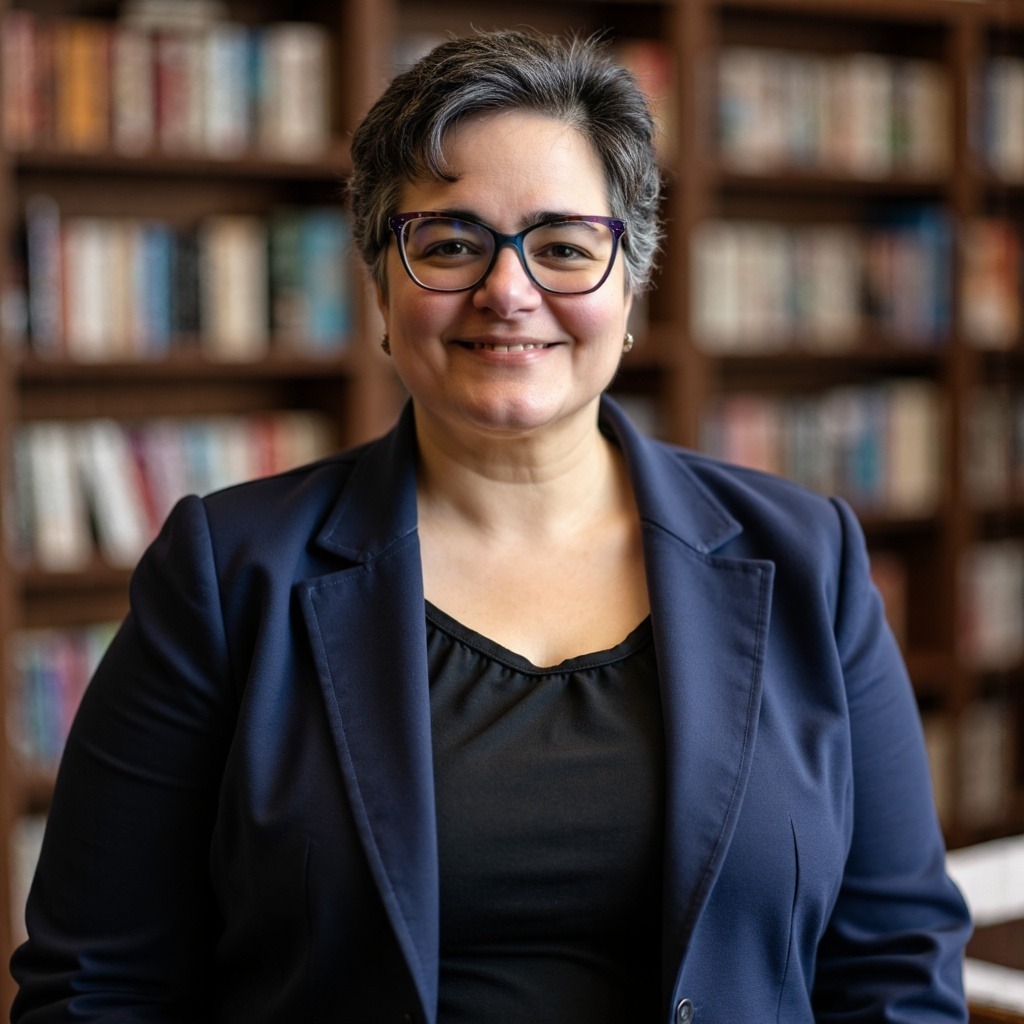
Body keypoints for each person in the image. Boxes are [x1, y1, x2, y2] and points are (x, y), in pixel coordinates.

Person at [11, 28, 971, 1024]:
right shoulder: (225, 573)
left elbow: (896, 970)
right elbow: (95, 988)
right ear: (381, 289)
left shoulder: (808, 558)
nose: (508, 292)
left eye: (563, 248)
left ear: (630, 287)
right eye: (449, 245)